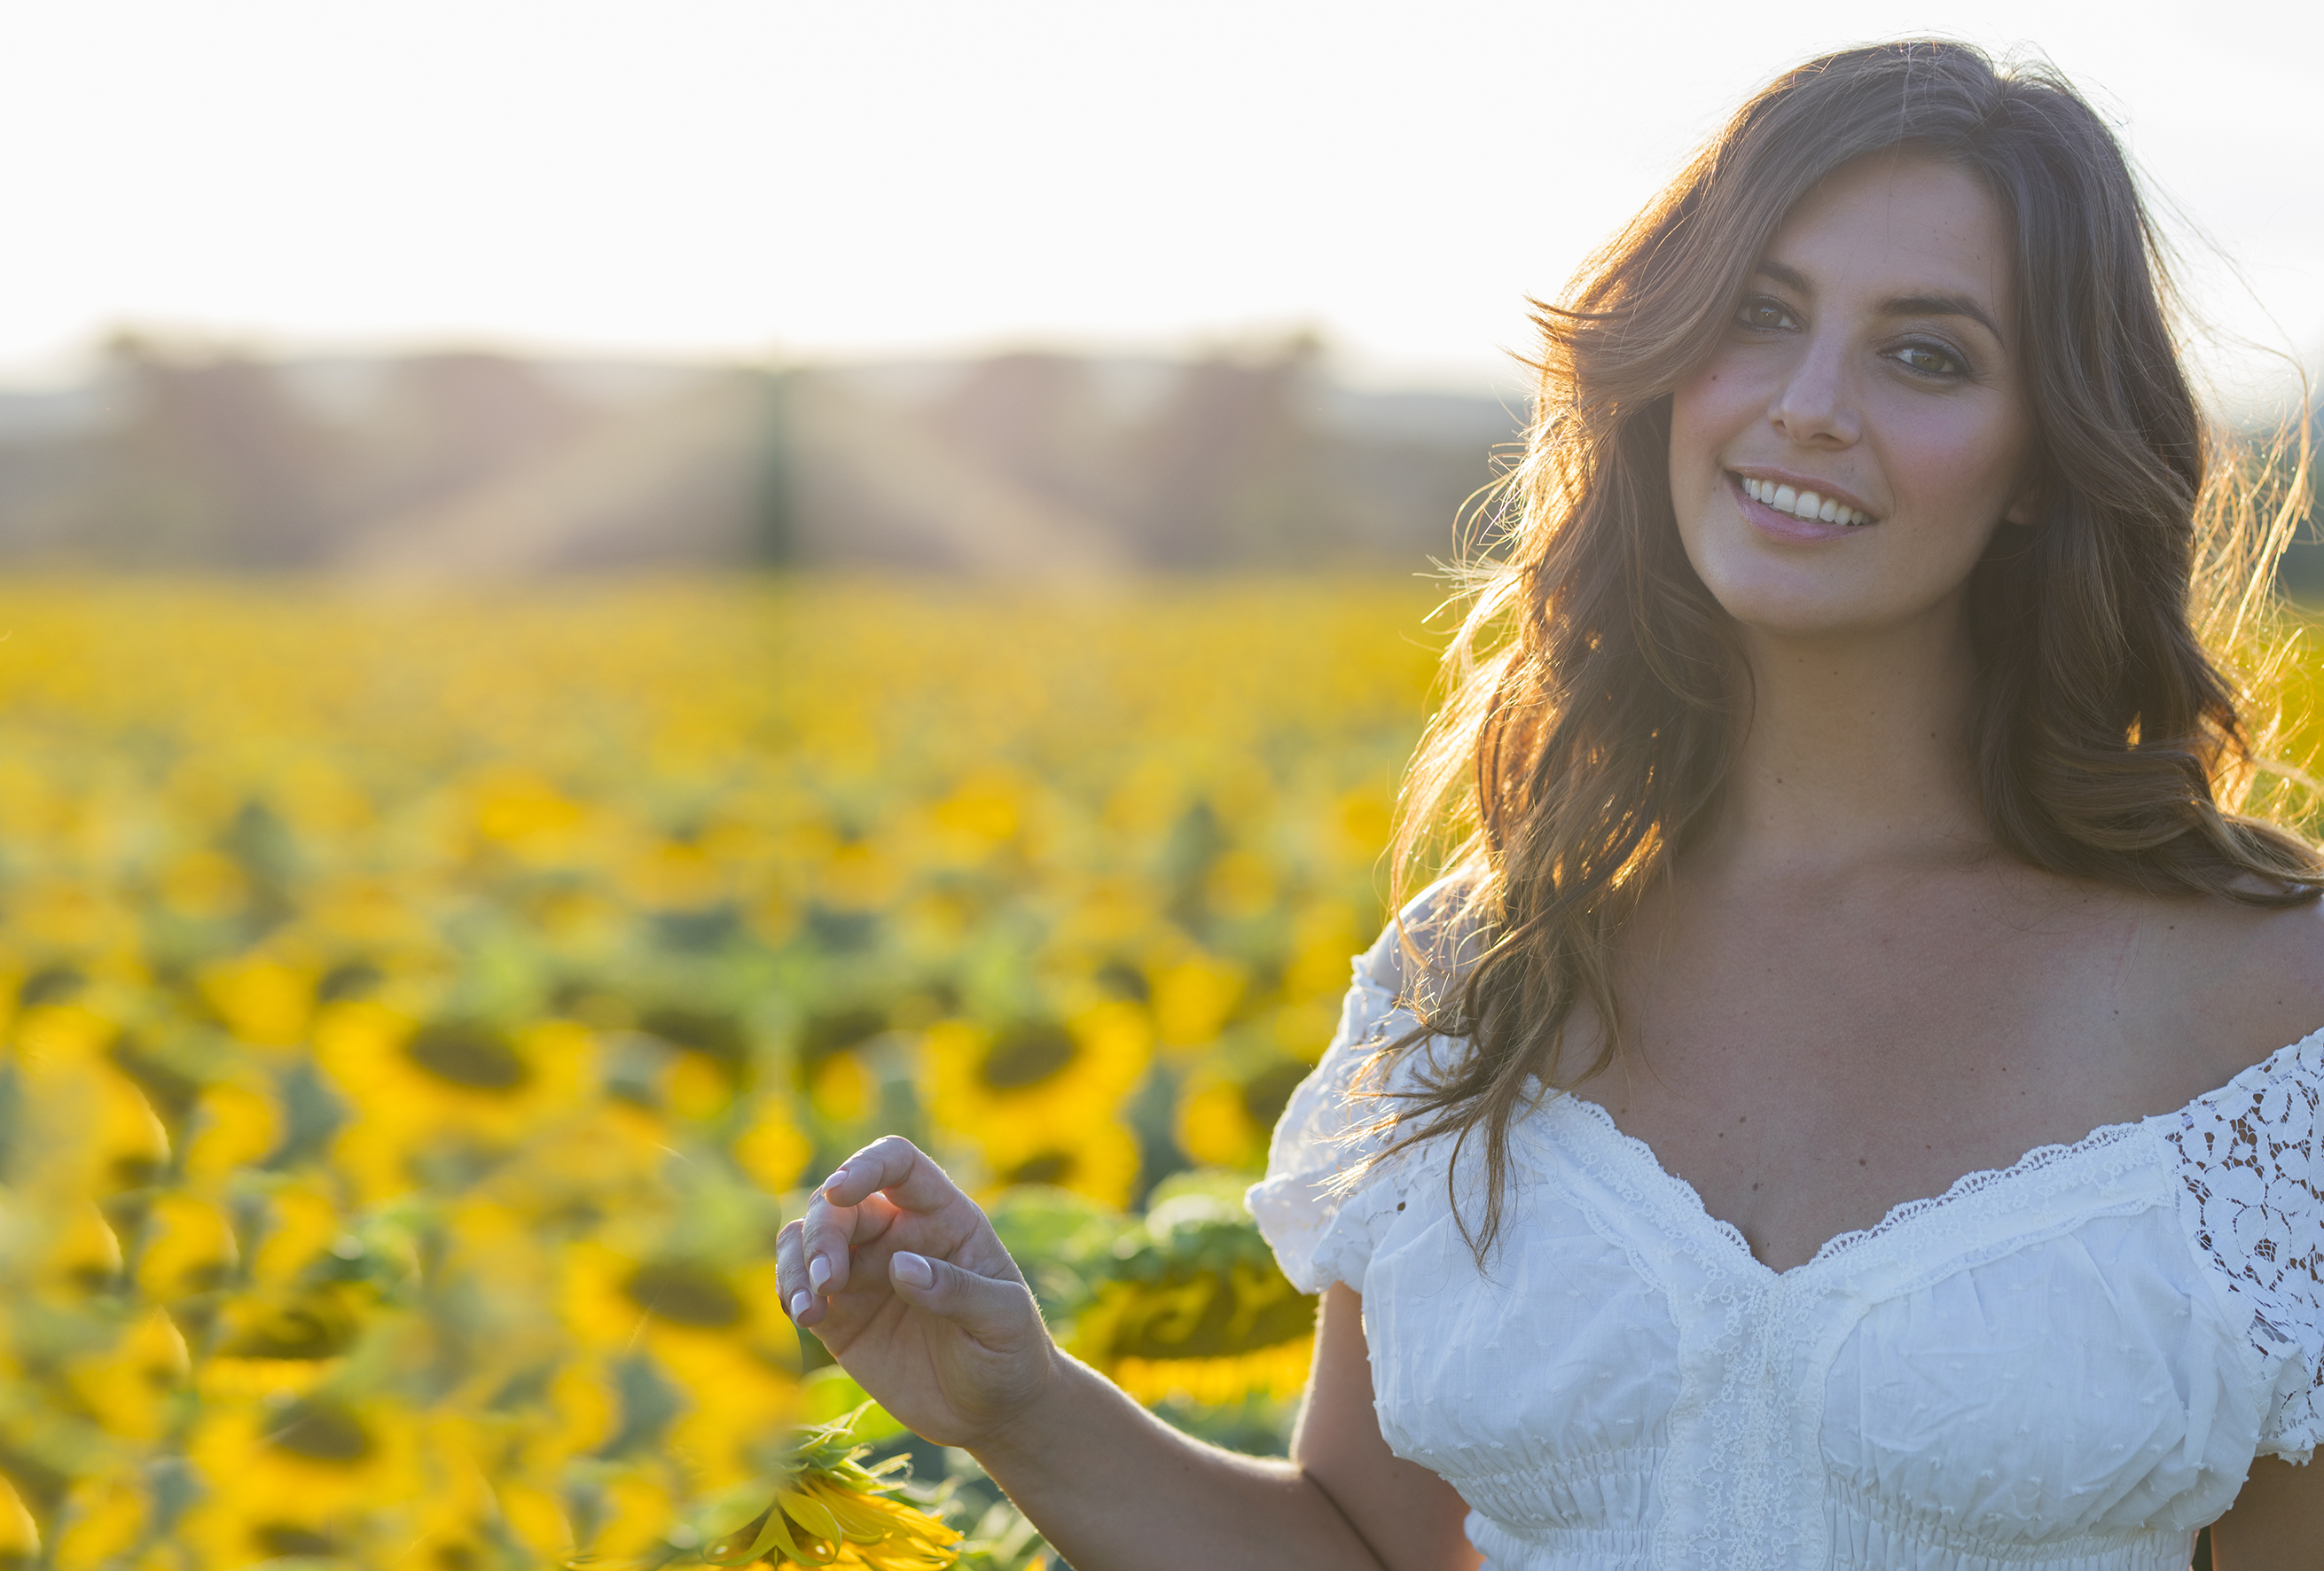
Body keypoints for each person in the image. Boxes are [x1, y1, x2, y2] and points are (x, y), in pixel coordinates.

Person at [776, 39, 2324, 1569]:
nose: (1803, 404)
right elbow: (1368, 1555)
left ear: (2044, 459)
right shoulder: (1474, 971)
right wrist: (1022, 1409)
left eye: (1925, 354)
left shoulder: (2273, 1018)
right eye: (1757, 316)